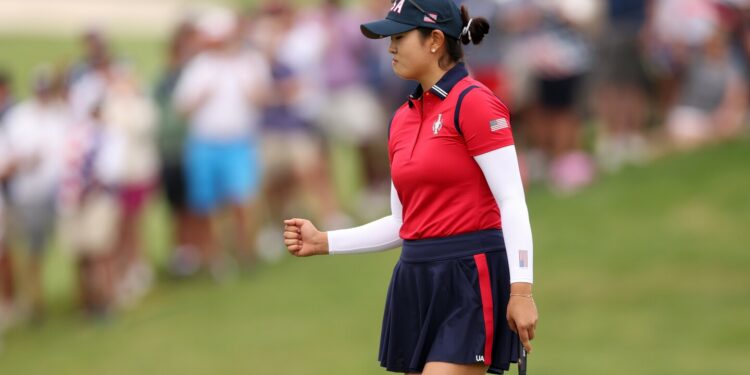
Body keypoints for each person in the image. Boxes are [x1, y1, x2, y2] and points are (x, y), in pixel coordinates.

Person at [283, 1, 538, 374]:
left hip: (469, 275)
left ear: (435, 40)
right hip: (415, 278)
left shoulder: (475, 103)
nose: (390, 47)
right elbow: (404, 223)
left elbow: (512, 201)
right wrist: (325, 241)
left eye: (400, 37)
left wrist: (521, 291)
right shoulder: (402, 118)